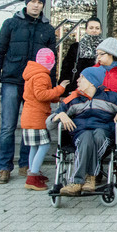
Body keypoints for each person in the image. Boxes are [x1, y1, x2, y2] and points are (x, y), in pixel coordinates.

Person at [0, 0, 56, 184]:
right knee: (8, 126)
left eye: (40, 2)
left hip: (35, 85)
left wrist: (50, 88)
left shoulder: (47, 29)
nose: (36, 5)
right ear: (27, 3)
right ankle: (4, 168)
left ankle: (26, 164)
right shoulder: (11, 24)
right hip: (11, 81)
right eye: (33, 1)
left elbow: (51, 60)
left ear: (43, 5)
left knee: (31, 126)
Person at [50, 67, 117, 196]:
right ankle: (88, 178)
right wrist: (59, 115)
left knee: (97, 135)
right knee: (86, 137)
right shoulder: (73, 99)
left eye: (82, 77)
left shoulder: (111, 97)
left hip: (104, 134)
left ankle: (79, 181)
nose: (78, 80)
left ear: (92, 82)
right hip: (80, 134)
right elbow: (48, 122)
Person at [21, 48, 69, 190]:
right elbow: (41, 95)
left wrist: (57, 98)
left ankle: (33, 172)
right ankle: (32, 176)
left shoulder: (33, 73)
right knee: (45, 145)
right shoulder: (42, 76)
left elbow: (40, 95)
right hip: (37, 116)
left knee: (34, 146)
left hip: (29, 115)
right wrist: (60, 88)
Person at [58, 17, 103, 94]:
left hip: (99, 90)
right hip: (76, 89)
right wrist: (64, 92)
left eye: (97, 28)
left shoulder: (104, 49)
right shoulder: (76, 47)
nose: (94, 30)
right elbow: (66, 69)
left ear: (100, 31)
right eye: (91, 28)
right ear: (86, 30)